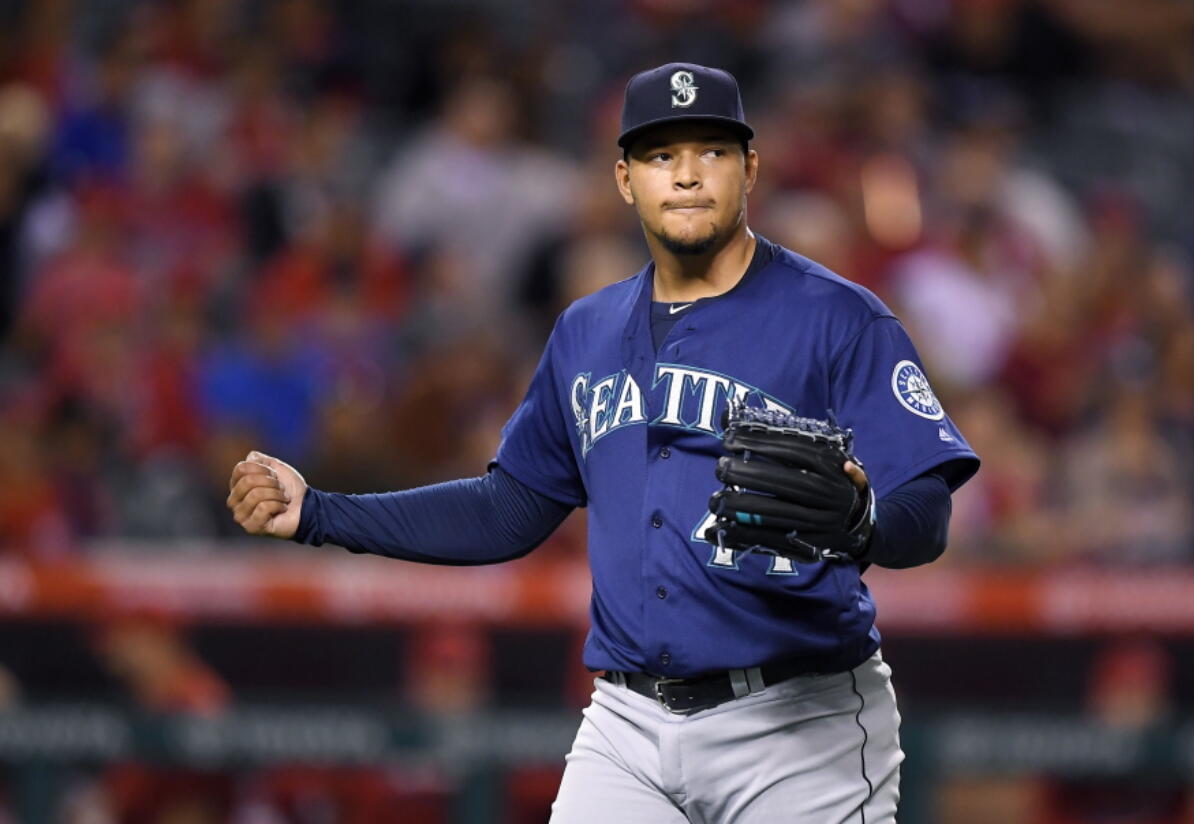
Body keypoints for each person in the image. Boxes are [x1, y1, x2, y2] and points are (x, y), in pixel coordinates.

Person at [228, 62, 980, 823]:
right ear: (624, 179)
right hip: (628, 724)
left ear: (750, 168)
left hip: (800, 723)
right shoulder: (585, 332)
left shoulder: (839, 318)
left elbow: (927, 508)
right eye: (661, 156)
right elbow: (509, 508)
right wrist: (320, 511)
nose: (686, 176)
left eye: (711, 152)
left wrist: (866, 523)